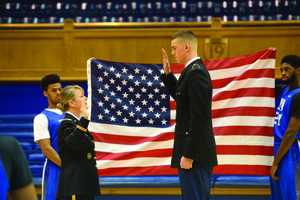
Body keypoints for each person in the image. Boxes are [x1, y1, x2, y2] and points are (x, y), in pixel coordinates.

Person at [160, 29, 218, 200]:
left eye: (173, 48)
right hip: (193, 155)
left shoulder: (197, 73)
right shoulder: (191, 71)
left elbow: (199, 118)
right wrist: (168, 75)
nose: (172, 53)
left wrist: (189, 155)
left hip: (196, 157)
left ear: (186, 47)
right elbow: (183, 100)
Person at [55, 85, 101, 200]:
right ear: (72, 103)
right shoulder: (66, 123)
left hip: (84, 185)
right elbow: (74, 142)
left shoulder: (76, 123)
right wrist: (84, 119)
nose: (86, 98)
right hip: (74, 185)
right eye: (81, 96)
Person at [270, 54, 300, 200]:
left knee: (292, 195)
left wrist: (275, 162)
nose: (283, 73)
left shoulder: (299, 96)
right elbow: (262, 85)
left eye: (287, 69)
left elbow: (291, 133)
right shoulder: (283, 91)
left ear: (298, 70)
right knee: (278, 196)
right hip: (278, 148)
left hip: (291, 150)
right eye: (281, 69)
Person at [33, 74, 64, 200]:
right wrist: (67, 166)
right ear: (45, 93)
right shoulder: (41, 118)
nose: (58, 93)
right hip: (55, 167)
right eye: (53, 90)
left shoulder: (72, 112)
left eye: (60, 89)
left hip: (74, 167)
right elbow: (46, 149)